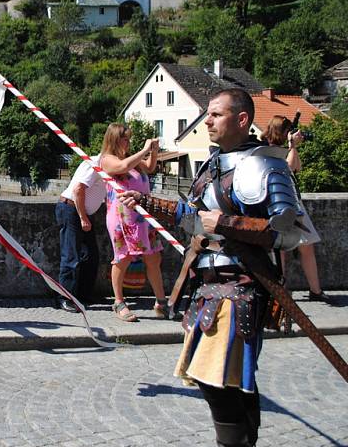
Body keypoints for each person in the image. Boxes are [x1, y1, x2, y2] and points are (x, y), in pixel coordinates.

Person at [126, 88, 309, 447]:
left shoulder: (266, 166)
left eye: (216, 115)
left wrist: (226, 224)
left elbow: (288, 233)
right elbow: (195, 218)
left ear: (242, 120)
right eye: (207, 114)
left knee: (217, 378)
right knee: (233, 379)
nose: (206, 121)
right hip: (206, 287)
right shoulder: (212, 166)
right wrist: (146, 201)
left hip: (240, 289)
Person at [261, 115, 332, 304]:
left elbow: (297, 167)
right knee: (281, 250)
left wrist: (293, 149)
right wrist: (292, 147)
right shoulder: (267, 151)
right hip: (277, 205)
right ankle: (281, 290)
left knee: (307, 246)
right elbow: (288, 168)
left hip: (294, 204)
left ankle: (315, 290)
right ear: (281, 132)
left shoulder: (283, 150)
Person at [99, 124, 164, 322]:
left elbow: (150, 167)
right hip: (122, 216)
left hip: (142, 216)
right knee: (123, 257)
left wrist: (153, 152)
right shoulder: (107, 159)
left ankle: (161, 302)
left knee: (153, 258)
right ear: (114, 139)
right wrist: (144, 150)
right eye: (124, 139)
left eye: (128, 139)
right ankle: (119, 301)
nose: (128, 143)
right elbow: (121, 168)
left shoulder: (133, 160)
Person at [55, 155, 106, 311]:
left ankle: (82, 295)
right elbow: (78, 189)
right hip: (71, 209)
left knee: (91, 256)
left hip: (81, 211)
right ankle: (64, 297)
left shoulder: (110, 165)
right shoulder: (96, 162)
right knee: (71, 256)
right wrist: (83, 217)